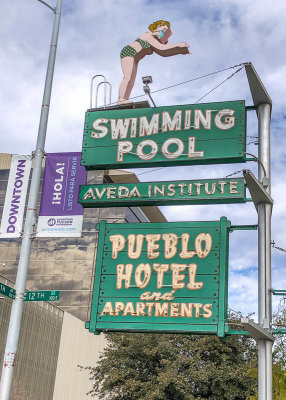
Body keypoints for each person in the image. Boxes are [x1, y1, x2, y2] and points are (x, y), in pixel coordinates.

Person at [118, 20, 190, 104]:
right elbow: (162, 49)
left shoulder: (154, 38)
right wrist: (178, 46)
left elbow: (163, 49)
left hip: (134, 57)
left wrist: (180, 49)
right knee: (128, 77)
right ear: (157, 28)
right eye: (163, 29)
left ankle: (124, 99)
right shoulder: (148, 35)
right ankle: (121, 99)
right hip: (129, 52)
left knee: (131, 80)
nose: (162, 32)